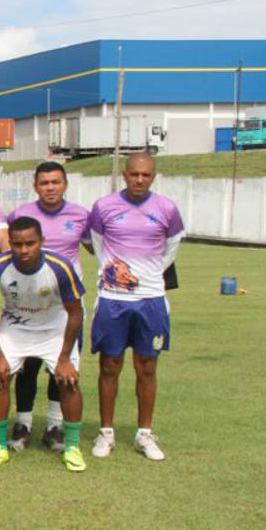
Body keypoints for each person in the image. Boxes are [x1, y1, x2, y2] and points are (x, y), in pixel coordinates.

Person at [87, 152, 184, 462]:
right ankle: (106, 432)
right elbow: (98, 245)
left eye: (146, 175)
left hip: (151, 299)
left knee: (147, 366)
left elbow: (171, 249)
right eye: (134, 174)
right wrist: (116, 273)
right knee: (109, 366)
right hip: (113, 299)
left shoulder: (167, 209)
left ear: (153, 176)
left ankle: (144, 434)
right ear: (125, 175)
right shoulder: (104, 207)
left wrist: (147, 275)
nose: (140, 179)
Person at [0, 217, 87, 471]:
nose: (23, 250)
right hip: (16, 327)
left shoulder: (60, 267)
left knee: (69, 381)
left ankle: (72, 447)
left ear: (42, 242)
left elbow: (75, 312)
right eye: (17, 244)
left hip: (53, 328)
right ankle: (0, 446)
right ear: (10, 243)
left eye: (30, 244)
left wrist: (64, 358)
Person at [6, 161, 92, 452]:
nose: (50, 187)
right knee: (27, 366)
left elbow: (100, 247)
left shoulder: (81, 215)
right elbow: (8, 250)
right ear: (35, 186)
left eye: (55, 182)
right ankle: (23, 423)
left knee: (62, 366)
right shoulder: (21, 214)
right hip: (28, 301)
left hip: (66, 304)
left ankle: (55, 425)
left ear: (65, 184)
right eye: (44, 183)